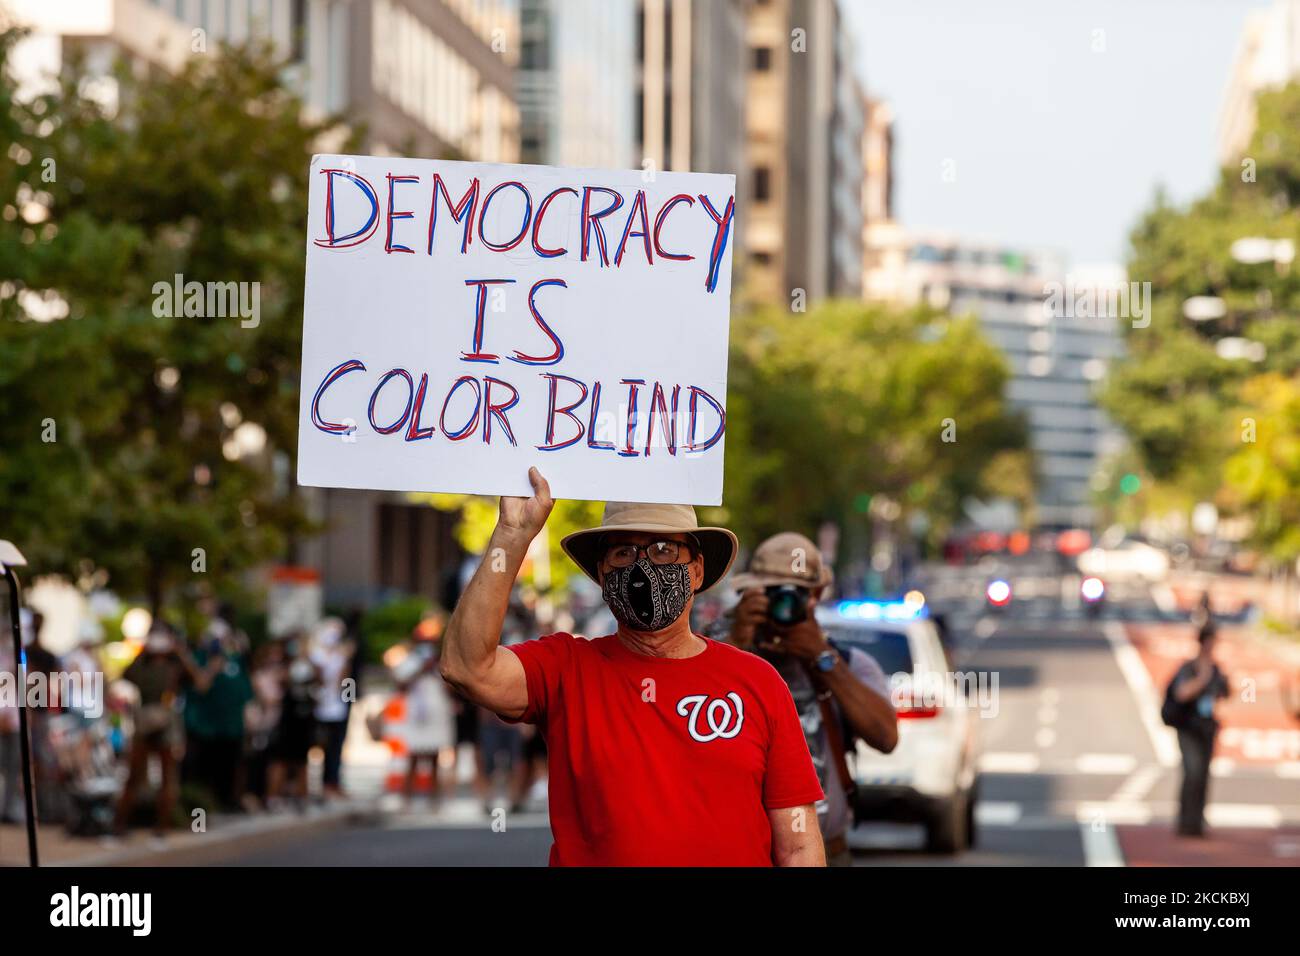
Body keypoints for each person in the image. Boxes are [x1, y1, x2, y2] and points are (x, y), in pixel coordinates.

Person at [441, 467, 826, 866]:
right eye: (624, 552)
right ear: (604, 575)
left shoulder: (757, 682)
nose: (643, 567)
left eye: (663, 549)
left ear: (696, 571)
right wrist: (511, 537)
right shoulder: (566, 670)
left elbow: (798, 842)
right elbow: (466, 668)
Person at [715, 532, 899, 866]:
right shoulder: (713, 652)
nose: (785, 605)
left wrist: (821, 657)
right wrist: (737, 643)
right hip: (738, 851)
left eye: (798, 594)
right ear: (749, 596)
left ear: (817, 595)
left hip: (827, 850)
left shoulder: (846, 662)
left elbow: (886, 737)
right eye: (774, 594)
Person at [114, 623, 220, 836]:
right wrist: (143, 651)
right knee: (134, 774)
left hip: (168, 720)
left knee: (167, 777)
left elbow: (201, 683)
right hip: (144, 721)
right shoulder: (142, 663)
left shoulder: (177, 664)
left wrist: (180, 653)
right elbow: (125, 675)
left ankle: (162, 827)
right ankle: (120, 825)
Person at [1167, 620, 1229, 837]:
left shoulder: (1217, 669)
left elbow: (1225, 692)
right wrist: (1202, 680)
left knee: (1203, 773)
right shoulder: (1190, 668)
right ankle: (1185, 821)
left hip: (1206, 728)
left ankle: (1198, 821)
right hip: (1188, 727)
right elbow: (1181, 693)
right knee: (1192, 771)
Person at [183, 619, 253, 811]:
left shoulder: (235, 662)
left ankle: (228, 801)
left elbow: (245, 693)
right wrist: (213, 667)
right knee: (202, 770)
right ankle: (200, 808)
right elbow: (200, 686)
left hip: (231, 727)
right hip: (204, 727)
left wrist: (248, 722)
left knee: (230, 767)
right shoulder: (199, 660)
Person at [393, 617, 454, 806]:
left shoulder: (443, 661)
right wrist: (420, 670)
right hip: (416, 715)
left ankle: (434, 799)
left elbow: (452, 687)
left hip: (437, 713)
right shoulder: (410, 660)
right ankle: (407, 797)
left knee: (435, 756)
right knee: (413, 756)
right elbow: (400, 685)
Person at [268, 632, 318, 809]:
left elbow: (318, 684)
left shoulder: (307, 666)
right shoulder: (283, 668)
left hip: (302, 722)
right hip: (286, 722)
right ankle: (274, 797)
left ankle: (301, 796)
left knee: (301, 761)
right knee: (281, 760)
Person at [309, 617, 356, 799]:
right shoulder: (316, 657)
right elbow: (317, 681)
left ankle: (333, 782)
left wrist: (348, 701)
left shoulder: (341, 657)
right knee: (323, 747)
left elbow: (347, 682)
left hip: (338, 708)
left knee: (337, 748)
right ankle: (322, 784)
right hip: (320, 708)